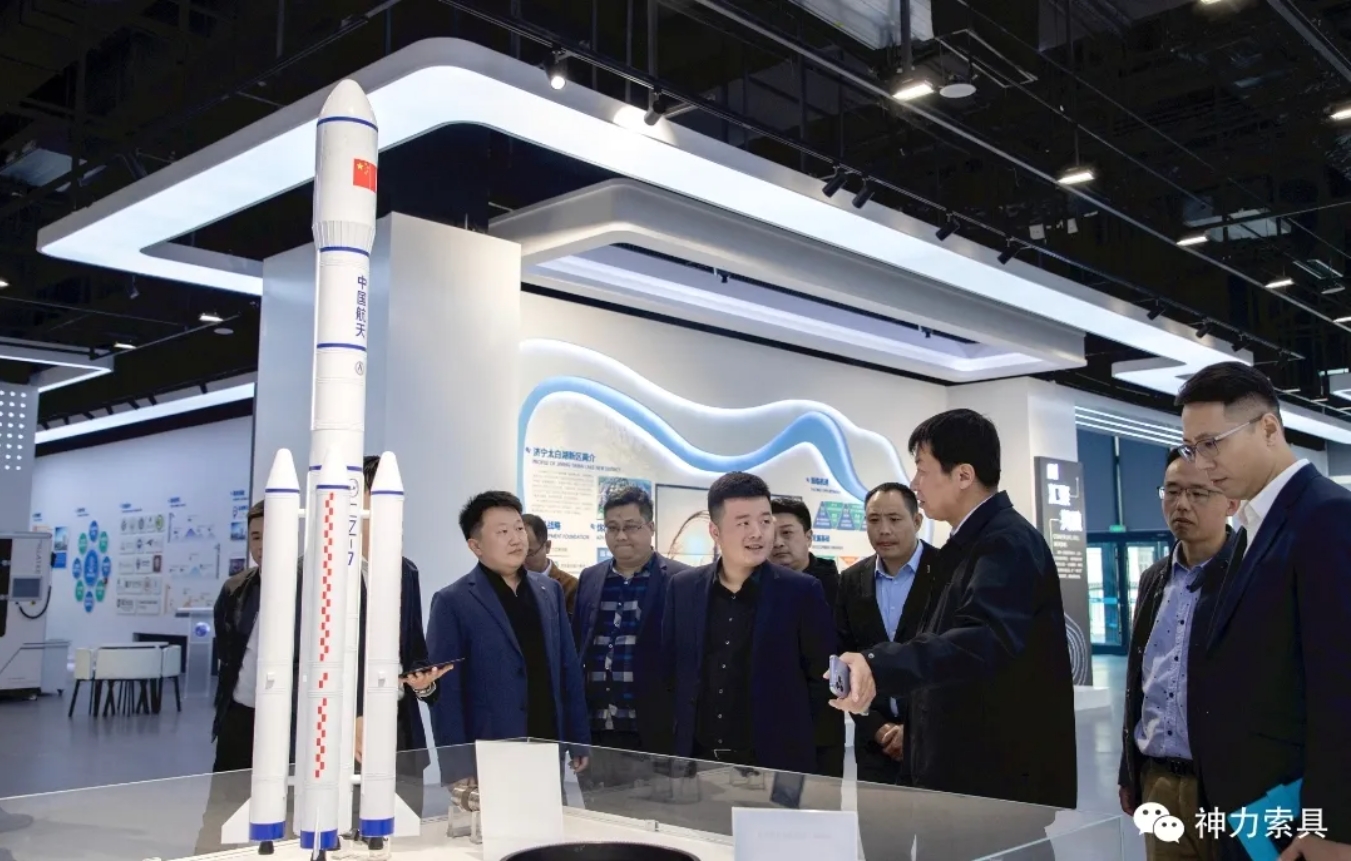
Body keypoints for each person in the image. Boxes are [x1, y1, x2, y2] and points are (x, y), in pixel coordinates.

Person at [830, 409, 1075, 858]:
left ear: (963, 475)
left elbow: (979, 642)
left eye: (923, 470)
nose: (915, 483)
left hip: (992, 788)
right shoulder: (968, 546)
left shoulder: (1004, 543)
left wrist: (878, 664)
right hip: (960, 784)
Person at [197, 478, 443, 854]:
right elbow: (231, 654)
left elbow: (411, 648)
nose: (263, 544)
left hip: (386, 725)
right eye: (256, 536)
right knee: (228, 819)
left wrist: (421, 682)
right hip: (262, 721)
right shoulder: (256, 587)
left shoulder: (402, 573)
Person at [1176, 362, 1351, 861]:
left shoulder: (1326, 516)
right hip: (1249, 811)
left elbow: (1341, 684)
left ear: (1268, 428)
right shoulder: (1253, 525)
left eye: (1212, 443)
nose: (1201, 463)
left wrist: (1335, 827)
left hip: (1297, 815)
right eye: (1191, 448)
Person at [661, 472, 835, 774]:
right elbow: (670, 675)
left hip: (773, 767)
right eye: (743, 523)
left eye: (765, 521)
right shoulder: (682, 588)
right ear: (715, 531)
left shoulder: (801, 591)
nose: (758, 533)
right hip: (697, 764)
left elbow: (821, 686)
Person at [1119, 449, 1236, 861]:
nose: (1181, 504)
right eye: (1172, 491)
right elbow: (1141, 680)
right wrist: (1129, 770)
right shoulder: (1154, 580)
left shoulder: (1251, 575)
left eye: (1198, 493)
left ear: (1231, 501)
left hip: (1230, 785)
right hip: (1159, 782)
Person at [426, 491, 589, 783]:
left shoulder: (549, 591)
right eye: (502, 532)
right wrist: (457, 767)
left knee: (550, 813)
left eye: (518, 528)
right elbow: (445, 694)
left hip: (547, 743)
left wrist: (578, 738)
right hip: (489, 752)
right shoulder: (453, 601)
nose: (516, 539)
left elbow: (568, 669)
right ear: (475, 545)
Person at [571, 486, 687, 793]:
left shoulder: (681, 580)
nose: (621, 536)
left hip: (653, 733)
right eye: (612, 528)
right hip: (597, 731)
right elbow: (578, 648)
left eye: (631, 527)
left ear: (650, 527)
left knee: (654, 817)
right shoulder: (590, 578)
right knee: (597, 814)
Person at [835, 482, 941, 788]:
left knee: (939, 820)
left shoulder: (948, 572)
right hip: (875, 747)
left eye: (894, 519)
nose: (883, 530)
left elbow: (955, 659)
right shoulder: (851, 581)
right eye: (874, 520)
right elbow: (843, 658)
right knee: (879, 821)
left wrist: (915, 731)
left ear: (917, 521)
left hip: (936, 744)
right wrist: (877, 728)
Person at [769, 496, 845, 779]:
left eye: (787, 533)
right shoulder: (757, 588)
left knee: (820, 803)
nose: (778, 543)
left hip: (820, 729)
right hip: (768, 728)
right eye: (771, 534)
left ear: (809, 537)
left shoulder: (837, 589)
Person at [523, 513, 579, 618]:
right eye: (516, 553)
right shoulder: (508, 583)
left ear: (547, 546)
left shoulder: (570, 586)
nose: (521, 561)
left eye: (529, 553)